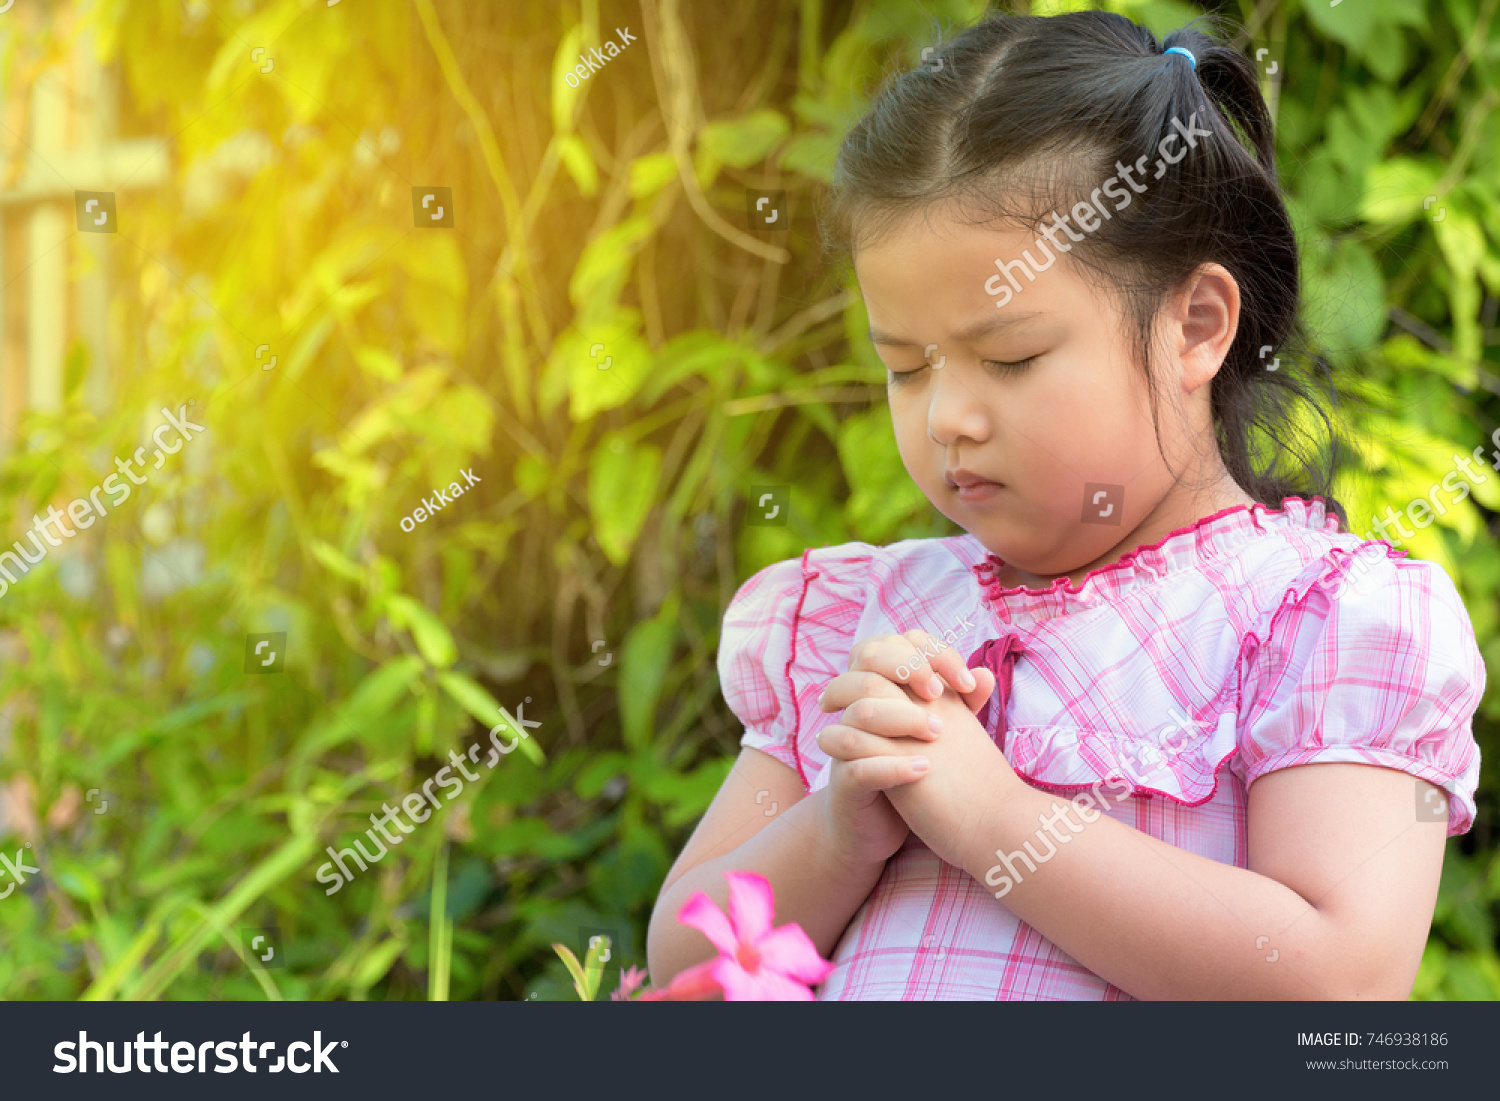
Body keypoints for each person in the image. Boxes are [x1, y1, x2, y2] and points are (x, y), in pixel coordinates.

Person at [645, 9, 1484, 1000]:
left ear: (1197, 326)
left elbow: (1334, 986)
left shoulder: (1314, 622)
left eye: (1011, 357)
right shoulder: (857, 624)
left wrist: (995, 818)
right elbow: (685, 962)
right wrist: (836, 834)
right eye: (906, 367)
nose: (949, 415)